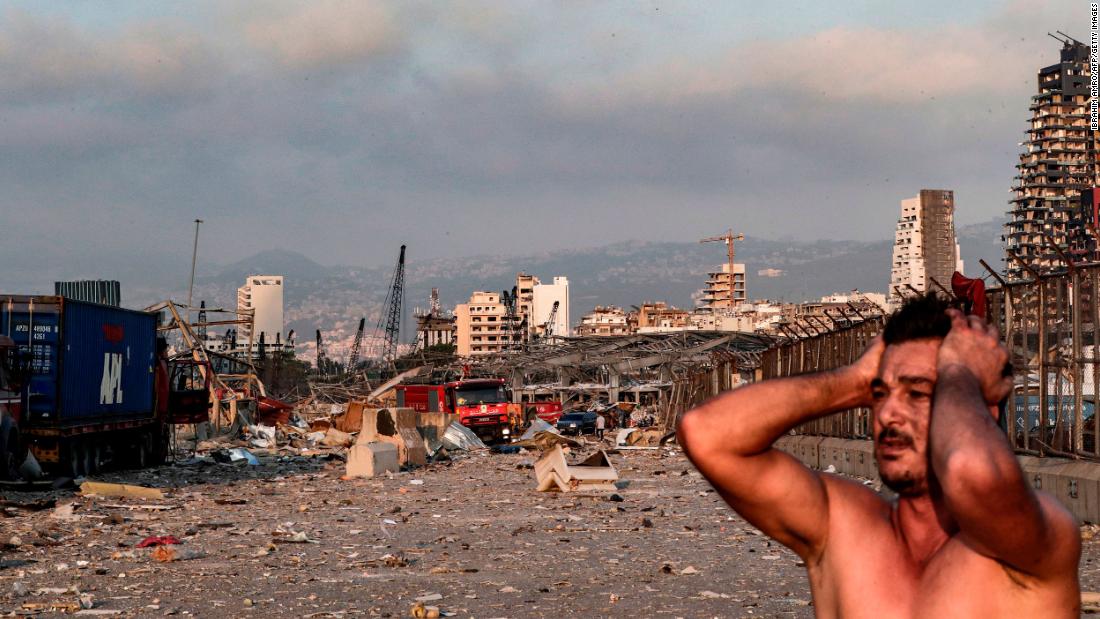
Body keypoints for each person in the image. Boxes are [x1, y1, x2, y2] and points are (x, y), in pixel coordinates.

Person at [678, 294, 1081, 617]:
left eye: (919, 393)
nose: (887, 414)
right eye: (879, 395)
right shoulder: (843, 529)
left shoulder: (1029, 544)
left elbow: (970, 471)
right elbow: (707, 434)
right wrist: (856, 380)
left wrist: (961, 371)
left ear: (980, 408)